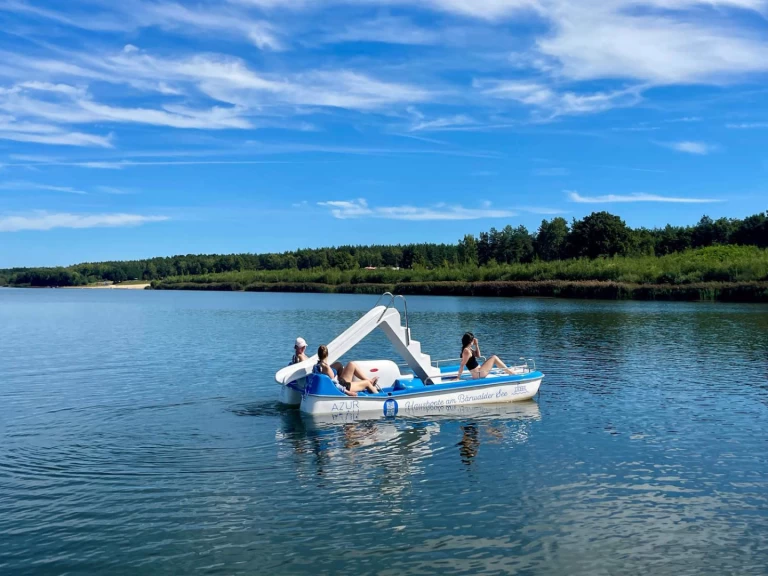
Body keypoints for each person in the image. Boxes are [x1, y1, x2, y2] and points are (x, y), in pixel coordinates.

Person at [313, 345, 380, 396]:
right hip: (344, 386)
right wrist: (348, 392)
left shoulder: (316, 366)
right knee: (367, 383)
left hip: (341, 382)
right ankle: (378, 395)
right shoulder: (327, 368)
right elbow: (335, 385)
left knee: (351, 364)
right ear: (327, 354)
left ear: (318, 355)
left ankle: (370, 381)